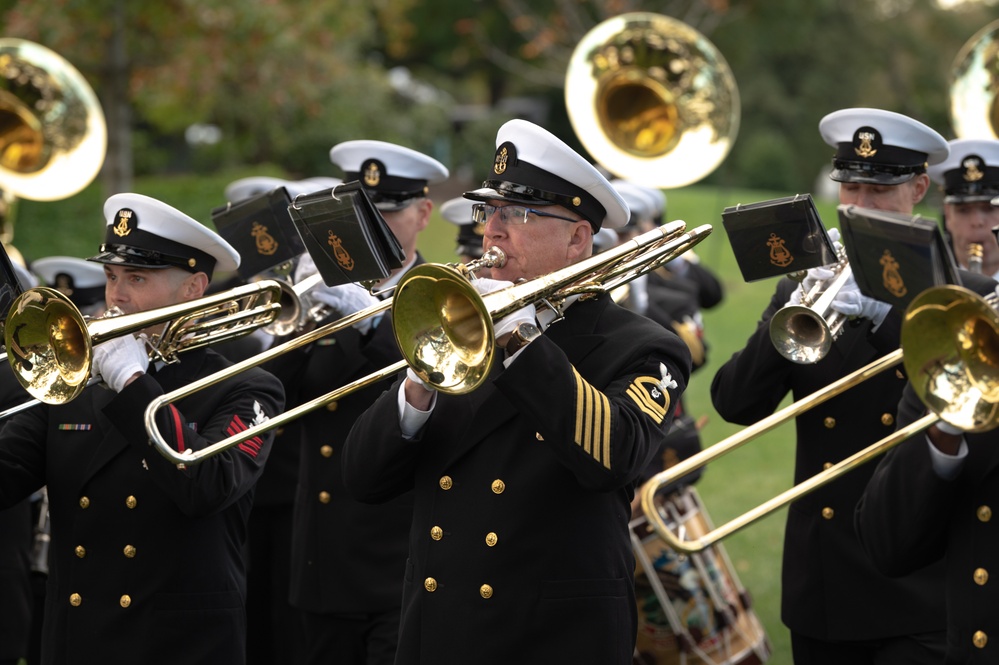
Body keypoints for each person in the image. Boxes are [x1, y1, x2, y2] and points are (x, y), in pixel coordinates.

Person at [341, 118, 692, 665]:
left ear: (578, 238)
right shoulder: (458, 332)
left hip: (551, 636)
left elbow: (612, 455)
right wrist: (419, 381)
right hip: (439, 631)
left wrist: (520, 337)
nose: (493, 231)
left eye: (519, 214)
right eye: (490, 211)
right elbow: (362, 479)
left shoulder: (642, 346)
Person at [0, 193, 285, 665]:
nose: (117, 296)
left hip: (180, 645)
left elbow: (206, 486)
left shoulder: (247, 387)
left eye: (137, 278)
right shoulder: (77, 382)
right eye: (112, 276)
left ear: (194, 287)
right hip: (80, 640)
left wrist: (133, 383)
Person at [710, 108, 952, 664]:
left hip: (915, 589)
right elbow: (735, 402)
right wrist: (793, 309)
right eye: (851, 188)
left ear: (918, 189)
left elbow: (958, 395)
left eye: (879, 190)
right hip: (824, 585)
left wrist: (889, 314)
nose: (860, 206)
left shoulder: (952, 287)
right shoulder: (810, 280)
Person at [273, 140, 448, 665]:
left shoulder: (443, 296)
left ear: (422, 214)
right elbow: (270, 397)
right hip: (321, 566)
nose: (371, 227)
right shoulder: (326, 297)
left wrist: (373, 322)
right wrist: (297, 314)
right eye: (359, 213)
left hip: (397, 565)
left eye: (387, 212)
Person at [927, 138, 999, 277]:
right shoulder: (926, 277)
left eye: (989, 208)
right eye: (963, 210)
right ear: (948, 215)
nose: (976, 222)